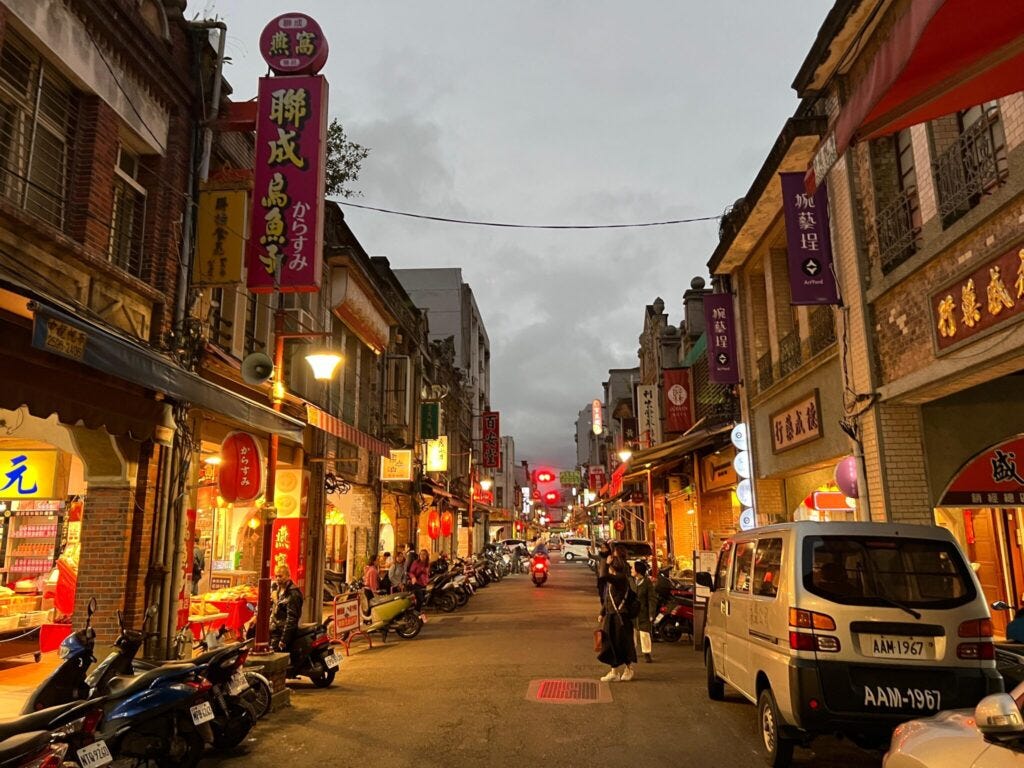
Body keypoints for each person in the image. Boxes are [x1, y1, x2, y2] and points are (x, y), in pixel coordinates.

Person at [597, 555, 637, 681]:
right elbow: (608, 598)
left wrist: (606, 563)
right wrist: (602, 613)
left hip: (621, 616)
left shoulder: (620, 578)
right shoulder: (614, 580)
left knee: (623, 642)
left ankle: (629, 669)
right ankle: (614, 671)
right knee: (610, 643)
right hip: (611, 615)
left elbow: (603, 576)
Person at [271, 564, 303, 652]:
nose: (278, 578)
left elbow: (291, 618)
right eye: (276, 576)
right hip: (274, 630)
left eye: (280, 576)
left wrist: (284, 639)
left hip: (282, 633)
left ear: (288, 576)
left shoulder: (293, 593)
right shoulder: (278, 590)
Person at [633, 560, 658, 663]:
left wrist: (651, 613)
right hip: (632, 612)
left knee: (644, 633)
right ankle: (632, 651)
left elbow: (652, 598)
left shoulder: (647, 582)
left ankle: (646, 653)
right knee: (632, 632)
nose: (631, 570)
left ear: (638, 571)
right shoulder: (630, 581)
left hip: (643, 611)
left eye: (633, 568)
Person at [191, 532, 205, 597]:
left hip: (194, 572)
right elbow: (203, 562)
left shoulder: (194, 551)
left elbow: (194, 562)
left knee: (191, 589)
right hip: (198, 573)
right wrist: (201, 569)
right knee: (195, 588)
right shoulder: (200, 551)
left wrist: (198, 569)